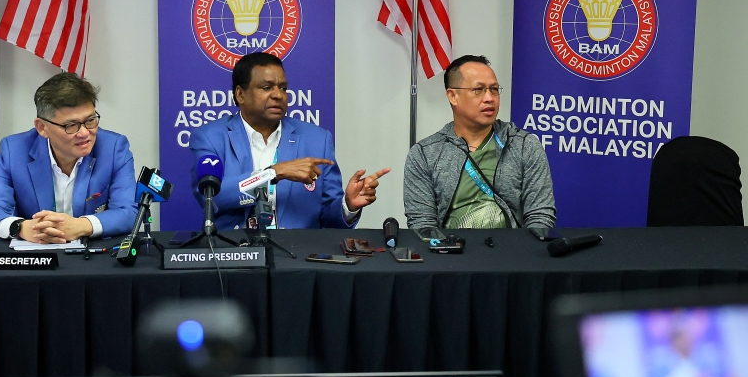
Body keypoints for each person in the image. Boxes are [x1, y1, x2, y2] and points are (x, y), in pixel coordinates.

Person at [190, 52, 389, 230]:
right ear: (240, 94)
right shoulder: (211, 137)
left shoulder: (317, 140)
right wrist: (274, 173)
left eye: (283, 88)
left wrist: (348, 205)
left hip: (299, 258)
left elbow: (329, 219)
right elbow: (211, 198)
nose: (278, 95)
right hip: (235, 256)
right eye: (266, 87)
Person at [403, 55, 556, 239]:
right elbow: (422, 224)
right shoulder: (425, 154)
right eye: (478, 90)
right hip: (449, 257)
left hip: (512, 255)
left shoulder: (524, 145)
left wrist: (522, 254)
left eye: (494, 89)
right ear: (453, 96)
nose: (489, 98)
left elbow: (540, 216)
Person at [0, 73, 137, 242]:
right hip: (38, 260)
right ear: (42, 127)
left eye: (90, 120)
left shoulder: (114, 148)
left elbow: (129, 212)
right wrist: (22, 228)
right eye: (71, 125)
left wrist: (81, 226)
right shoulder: (14, 150)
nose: (84, 133)